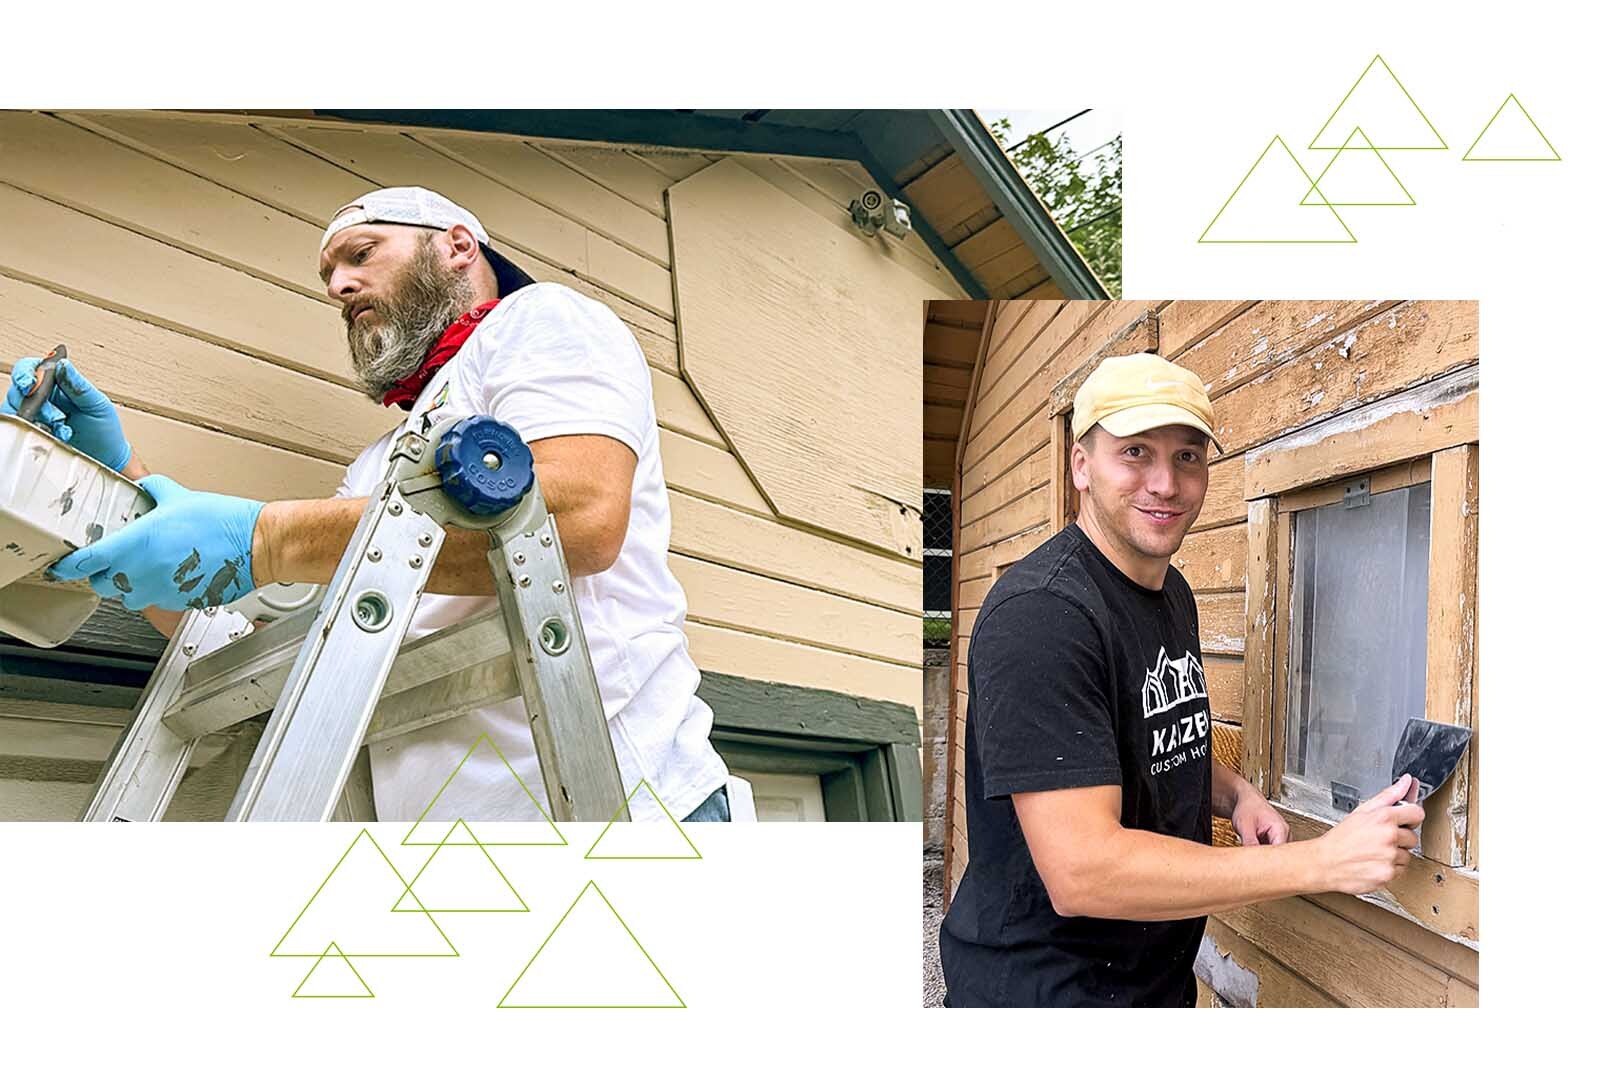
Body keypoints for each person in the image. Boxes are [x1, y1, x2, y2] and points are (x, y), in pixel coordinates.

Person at [4, 186, 730, 824]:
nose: (338, 286)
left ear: (457, 246)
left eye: (360, 254)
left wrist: (269, 537)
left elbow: (578, 517)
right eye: (329, 275)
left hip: (628, 808)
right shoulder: (377, 466)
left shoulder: (541, 320)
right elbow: (248, 644)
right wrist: (125, 486)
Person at [938, 352, 1425, 1007]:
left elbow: (1154, 737)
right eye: (1135, 452)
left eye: (1187, 456)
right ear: (1081, 465)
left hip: (1151, 984)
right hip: (1042, 994)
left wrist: (1237, 794)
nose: (1166, 483)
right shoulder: (1042, 616)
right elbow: (1084, 870)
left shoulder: (1172, 594)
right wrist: (1321, 860)